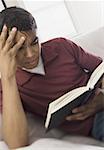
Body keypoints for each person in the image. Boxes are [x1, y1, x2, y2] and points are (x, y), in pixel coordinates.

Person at [0, 6, 104, 149]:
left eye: (34, 43)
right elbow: (17, 143)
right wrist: (7, 76)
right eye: (19, 48)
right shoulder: (7, 85)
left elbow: (101, 69)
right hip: (97, 122)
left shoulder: (61, 46)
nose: (31, 54)